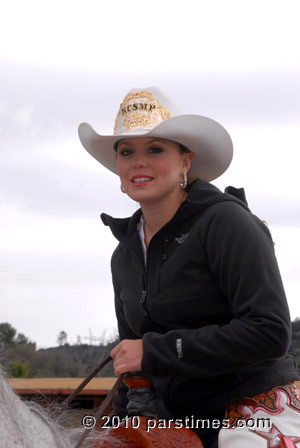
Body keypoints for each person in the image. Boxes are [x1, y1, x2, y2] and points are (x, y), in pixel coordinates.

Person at [78, 87, 300, 448]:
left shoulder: (227, 223)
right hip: (173, 415)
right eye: (126, 152)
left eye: (155, 149)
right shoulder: (124, 255)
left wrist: (155, 351)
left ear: (185, 161)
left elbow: (270, 332)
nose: (138, 161)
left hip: (250, 406)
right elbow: (132, 360)